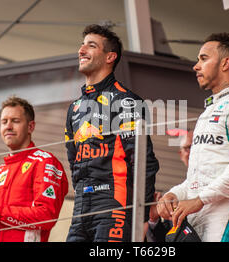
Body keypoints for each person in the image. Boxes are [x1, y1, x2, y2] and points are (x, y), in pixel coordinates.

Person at [157, 32, 229, 242]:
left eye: (203, 58)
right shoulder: (207, 111)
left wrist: (200, 200)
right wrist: (174, 195)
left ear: (226, 63)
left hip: (225, 211)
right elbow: (198, 178)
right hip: (196, 210)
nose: (196, 66)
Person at [65, 24, 159, 242]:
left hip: (114, 202)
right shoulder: (75, 107)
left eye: (91, 45)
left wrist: (141, 215)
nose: (81, 51)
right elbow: (73, 160)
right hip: (81, 205)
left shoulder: (126, 101)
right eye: (82, 45)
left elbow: (144, 162)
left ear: (110, 57)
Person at [0, 96, 68, 242]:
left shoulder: (45, 161)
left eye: (15, 121)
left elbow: (46, 217)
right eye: (4, 122)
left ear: (31, 127)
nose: (8, 126)